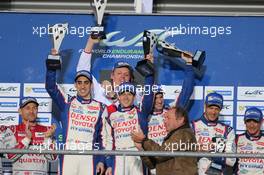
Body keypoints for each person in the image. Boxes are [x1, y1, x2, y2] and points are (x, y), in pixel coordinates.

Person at [45, 49, 107, 175]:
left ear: (91, 85)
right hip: (69, 154)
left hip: (89, 156)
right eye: (79, 83)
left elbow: (102, 138)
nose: (82, 86)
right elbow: (51, 87)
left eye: (86, 83)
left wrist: (101, 160)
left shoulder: (101, 107)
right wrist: (53, 61)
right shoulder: (67, 103)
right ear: (75, 85)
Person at [76, 36, 151, 107]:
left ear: (130, 78)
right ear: (112, 75)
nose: (123, 77)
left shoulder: (136, 93)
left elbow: (127, 110)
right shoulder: (100, 90)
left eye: (126, 74)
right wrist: (90, 43)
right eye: (119, 73)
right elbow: (82, 72)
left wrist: (112, 95)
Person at [103, 77, 154, 175]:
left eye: (129, 94)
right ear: (118, 96)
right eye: (123, 94)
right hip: (118, 158)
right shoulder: (112, 115)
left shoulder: (140, 113)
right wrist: (109, 163)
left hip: (137, 156)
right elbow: (109, 141)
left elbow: (148, 97)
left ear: (134, 97)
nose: (126, 97)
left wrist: (149, 75)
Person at [131, 106, 198, 175]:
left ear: (180, 120)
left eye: (168, 118)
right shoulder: (174, 135)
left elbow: (161, 154)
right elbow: (153, 164)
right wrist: (141, 148)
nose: (164, 121)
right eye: (164, 118)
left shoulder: (183, 134)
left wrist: (144, 140)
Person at [5, 97, 57, 175]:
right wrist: (27, 139)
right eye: (27, 108)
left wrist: (47, 139)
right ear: (20, 111)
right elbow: (10, 156)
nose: (31, 111)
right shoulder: (13, 130)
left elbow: (53, 157)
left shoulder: (47, 130)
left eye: (34, 108)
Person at [191, 92, 236, 175]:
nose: (213, 112)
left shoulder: (228, 130)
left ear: (220, 109)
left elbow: (231, 160)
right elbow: (183, 153)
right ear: (205, 106)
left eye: (216, 109)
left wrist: (212, 152)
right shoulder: (192, 126)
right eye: (211, 108)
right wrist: (200, 150)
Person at [236, 107, 264, 175]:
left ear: (261, 122)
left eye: (255, 121)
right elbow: (228, 163)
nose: (251, 125)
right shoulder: (236, 139)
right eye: (248, 121)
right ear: (244, 121)